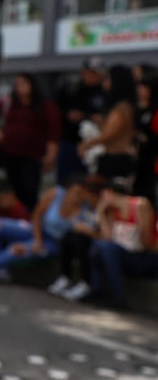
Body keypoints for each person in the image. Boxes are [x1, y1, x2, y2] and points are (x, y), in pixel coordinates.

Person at [0, 176, 103, 282]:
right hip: (35, 231)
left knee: (15, 250)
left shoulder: (85, 211)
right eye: (74, 192)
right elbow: (36, 216)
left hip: (53, 244)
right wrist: (36, 238)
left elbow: (96, 232)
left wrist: (36, 244)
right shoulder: (55, 194)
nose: (76, 197)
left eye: (80, 194)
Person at [51, 180, 150, 302]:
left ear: (109, 192)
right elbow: (107, 237)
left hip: (138, 255)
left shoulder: (140, 205)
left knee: (102, 246)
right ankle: (91, 288)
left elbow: (147, 239)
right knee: (91, 243)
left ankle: (114, 295)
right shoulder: (111, 211)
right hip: (117, 252)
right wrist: (101, 212)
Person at [0, 73, 60, 212]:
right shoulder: (9, 102)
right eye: (17, 84)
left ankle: (28, 220)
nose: (20, 88)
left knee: (29, 190)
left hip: (32, 155)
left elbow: (53, 133)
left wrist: (50, 155)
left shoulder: (44, 106)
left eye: (23, 84)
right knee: (11, 190)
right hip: (11, 153)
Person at [79, 65, 137, 184]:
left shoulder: (121, 108)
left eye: (107, 79)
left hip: (117, 159)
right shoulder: (123, 106)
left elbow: (109, 134)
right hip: (114, 157)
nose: (104, 83)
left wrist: (87, 144)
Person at [55, 57, 106, 184]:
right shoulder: (71, 88)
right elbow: (57, 111)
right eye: (89, 72)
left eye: (95, 73)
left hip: (93, 145)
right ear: (83, 72)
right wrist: (69, 115)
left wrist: (90, 117)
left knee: (89, 182)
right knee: (65, 181)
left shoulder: (104, 92)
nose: (92, 76)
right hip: (70, 141)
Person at [134, 72, 158, 203]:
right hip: (140, 161)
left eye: (144, 87)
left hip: (152, 160)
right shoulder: (137, 108)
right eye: (139, 87)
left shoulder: (155, 110)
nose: (140, 91)